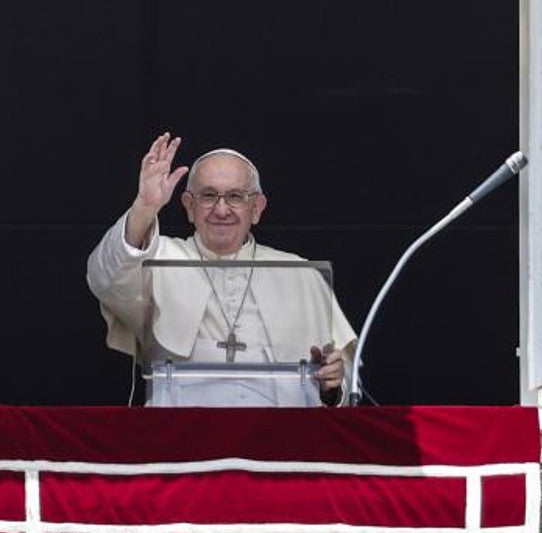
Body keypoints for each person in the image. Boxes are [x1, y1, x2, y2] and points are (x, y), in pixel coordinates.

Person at [87, 133, 357, 406]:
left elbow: (342, 383)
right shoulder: (157, 258)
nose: (221, 209)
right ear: (189, 207)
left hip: (278, 441)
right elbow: (106, 279)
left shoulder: (301, 274)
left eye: (235, 196)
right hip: (182, 439)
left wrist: (331, 386)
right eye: (208, 196)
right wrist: (144, 208)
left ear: (257, 208)